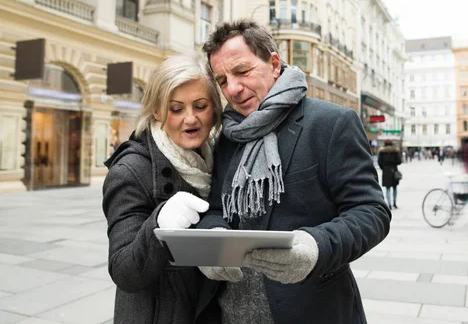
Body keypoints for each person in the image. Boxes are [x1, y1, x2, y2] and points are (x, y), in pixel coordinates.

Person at [197, 19, 391, 323]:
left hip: (311, 309)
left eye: (242, 71)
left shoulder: (330, 123)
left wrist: (315, 247)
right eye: (222, 80)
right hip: (229, 314)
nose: (232, 89)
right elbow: (216, 208)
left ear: (274, 63)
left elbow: (371, 212)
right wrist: (213, 237)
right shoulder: (227, 135)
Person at [102, 55, 223, 323]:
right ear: (156, 111)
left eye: (200, 106)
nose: (190, 119)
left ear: (214, 108)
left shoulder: (218, 158)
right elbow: (123, 271)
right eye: (176, 109)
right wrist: (159, 225)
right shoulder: (131, 171)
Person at [378, 139, 402, 209]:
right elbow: (399, 161)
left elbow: (379, 162)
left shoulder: (382, 151)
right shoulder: (395, 150)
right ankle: (394, 203)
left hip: (386, 172)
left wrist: (384, 168)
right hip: (394, 170)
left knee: (388, 188)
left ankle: (389, 204)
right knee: (395, 188)